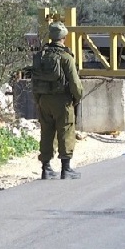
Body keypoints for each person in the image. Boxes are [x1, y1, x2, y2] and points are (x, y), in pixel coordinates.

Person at [32, 21, 83, 180]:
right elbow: (75, 83)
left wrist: (38, 100)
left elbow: (34, 81)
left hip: (43, 100)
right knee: (66, 130)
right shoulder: (66, 57)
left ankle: (46, 169)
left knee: (46, 132)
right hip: (62, 100)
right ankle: (66, 169)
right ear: (64, 38)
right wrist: (77, 97)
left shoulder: (40, 56)